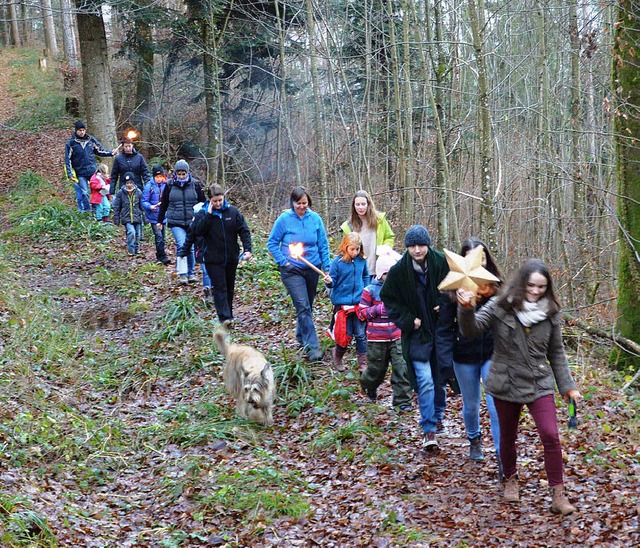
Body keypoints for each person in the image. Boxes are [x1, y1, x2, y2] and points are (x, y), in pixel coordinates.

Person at [457, 259, 580, 515]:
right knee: (508, 436)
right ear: (521, 282)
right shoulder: (500, 305)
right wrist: (466, 307)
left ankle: (558, 494)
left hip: (539, 381)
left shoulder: (551, 312)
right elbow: (472, 329)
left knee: (550, 435)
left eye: (542, 287)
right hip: (505, 380)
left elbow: (556, 353)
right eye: (531, 285)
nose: (535, 291)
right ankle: (510, 479)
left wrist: (567, 386)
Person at [380, 225, 451, 451]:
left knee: (439, 381)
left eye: (421, 245)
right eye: (413, 246)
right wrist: (409, 320)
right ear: (407, 247)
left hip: (440, 333)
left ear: (428, 245)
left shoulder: (441, 262)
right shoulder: (400, 271)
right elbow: (389, 300)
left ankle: (437, 416)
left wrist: (445, 304)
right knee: (425, 382)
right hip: (417, 336)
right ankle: (428, 429)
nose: (418, 250)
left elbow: (457, 289)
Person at [438, 238, 503, 473]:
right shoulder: (452, 289)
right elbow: (444, 329)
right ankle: (474, 439)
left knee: (496, 403)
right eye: (470, 256)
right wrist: (444, 364)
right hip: (463, 355)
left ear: (487, 259)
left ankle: (501, 453)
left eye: (481, 257)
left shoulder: (497, 287)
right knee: (471, 404)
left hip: (492, 353)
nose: (478, 261)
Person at [267, 186, 331, 362]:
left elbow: (323, 244)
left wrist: (327, 268)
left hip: (312, 268)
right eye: (299, 203)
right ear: (292, 203)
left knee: (307, 306)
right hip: (292, 270)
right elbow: (272, 243)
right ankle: (312, 348)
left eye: (305, 203)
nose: (302, 206)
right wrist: (283, 262)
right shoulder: (284, 220)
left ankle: (300, 336)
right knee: (302, 306)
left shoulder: (315, 219)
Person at [180, 184, 252, 323]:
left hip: (231, 256)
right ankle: (223, 318)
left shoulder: (233, 212)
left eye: (220, 200)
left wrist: (247, 249)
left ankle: (229, 315)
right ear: (210, 200)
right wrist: (208, 214)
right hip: (212, 258)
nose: (218, 203)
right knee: (219, 287)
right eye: (215, 201)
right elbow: (196, 231)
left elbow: (244, 230)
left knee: (229, 287)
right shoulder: (202, 213)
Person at [357, 250, 413, 410]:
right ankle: (368, 385)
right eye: (387, 273)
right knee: (376, 370)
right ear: (380, 273)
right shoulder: (370, 291)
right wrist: (376, 310)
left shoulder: (400, 289)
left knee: (402, 368)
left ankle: (402, 402)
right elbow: (361, 313)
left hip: (397, 335)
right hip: (376, 339)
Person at [156, 160, 206, 284]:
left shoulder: (195, 184)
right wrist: (160, 221)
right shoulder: (169, 185)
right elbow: (164, 204)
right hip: (175, 221)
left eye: (183, 174)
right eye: (179, 174)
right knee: (182, 244)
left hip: (192, 221)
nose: (181, 176)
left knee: (192, 247)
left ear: (187, 173)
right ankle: (182, 274)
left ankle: (191, 273)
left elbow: (203, 203)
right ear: (176, 173)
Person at [326, 232, 370, 372]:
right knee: (346, 334)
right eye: (352, 249)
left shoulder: (362, 261)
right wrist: (329, 282)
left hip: (358, 304)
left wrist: (365, 289)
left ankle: (363, 363)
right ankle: (337, 355)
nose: (355, 252)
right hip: (342, 305)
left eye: (357, 249)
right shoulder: (337, 263)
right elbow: (332, 282)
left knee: (361, 334)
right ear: (345, 247)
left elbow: (365, 275)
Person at [64, 120, 119, 213]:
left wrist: (111, 153)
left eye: (83, 130)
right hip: (80, 172)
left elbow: (100, 151)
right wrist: (70, 174)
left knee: (99, 190)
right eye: (80, 130)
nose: (82, 132)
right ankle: (87, 211)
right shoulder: (71, 143)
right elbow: (68, 160)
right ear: (76, 130)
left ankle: (98, 209)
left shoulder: (91, 140)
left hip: (93, 171)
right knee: (84, 192)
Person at [340, 190, 395, 278]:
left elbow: (389, 237)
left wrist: (385, 248)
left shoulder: (379, 220)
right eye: (357, 205)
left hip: (378, 269)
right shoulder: (348, 226)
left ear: (368, 204)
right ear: (353, 206)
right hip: (358, 270)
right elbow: (345, 249)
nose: (360, 207)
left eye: (363, 204)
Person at [142, 165, 170, 265]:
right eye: (157, 177)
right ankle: (162, 256)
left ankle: (160, 254)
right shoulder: (149, 186)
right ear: (154, 177)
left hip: (164, 216)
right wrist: (150, 206)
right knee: (158, 236)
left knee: (163, 236)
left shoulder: (166, 185)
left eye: (160, 176)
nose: (159, 179)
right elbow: (144, 201)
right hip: (154, 216)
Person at [112, 172, 145, 256]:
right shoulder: (121, 193)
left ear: (133, 183)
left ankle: (136, 249)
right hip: (126, 217)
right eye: (127, 183)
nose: (129, 185)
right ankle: (131, 249)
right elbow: (117, 206)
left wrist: (145, 217)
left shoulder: (138, 192)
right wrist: (117, 218)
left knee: (138, 234)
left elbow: (142, 206)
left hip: (137, 216)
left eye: (130, 183)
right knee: (131, 232)